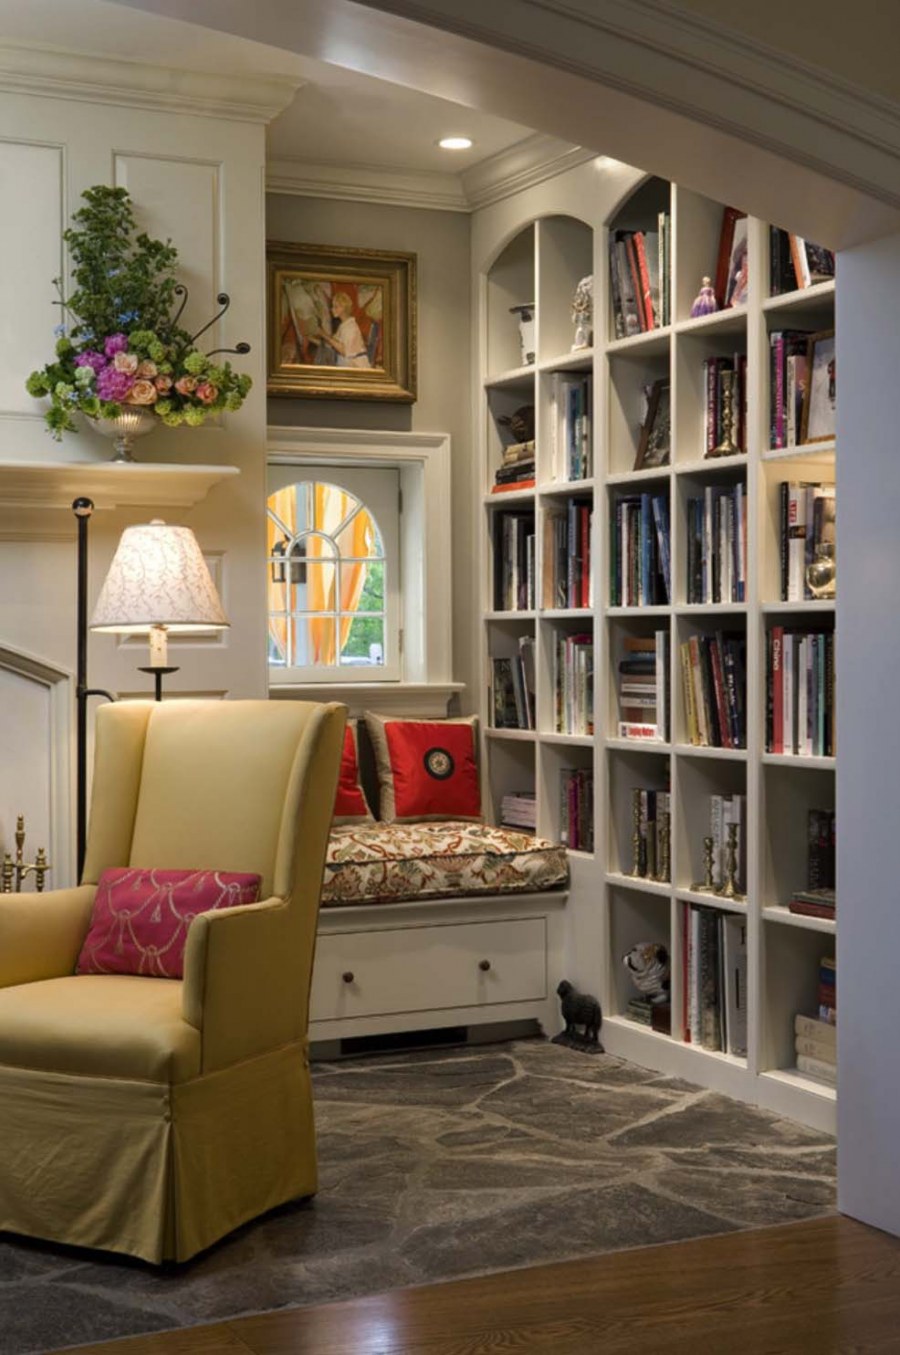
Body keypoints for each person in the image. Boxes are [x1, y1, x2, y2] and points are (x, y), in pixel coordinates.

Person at [316, 291, 371, 368]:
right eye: (332, 306)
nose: (332, 309)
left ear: (343, 308)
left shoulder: (351, 327)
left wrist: (324, 335)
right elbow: (332, 344)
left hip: (356, 365)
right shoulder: (343, 325)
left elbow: (344, 351)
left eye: (336, 307)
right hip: (347, 363)